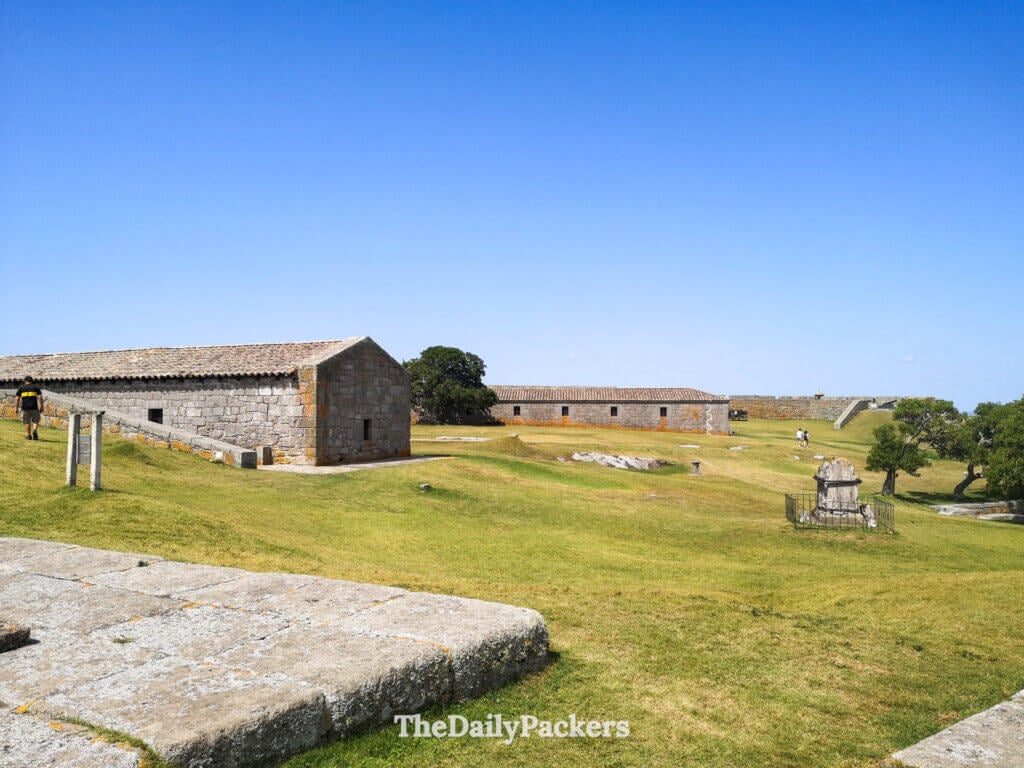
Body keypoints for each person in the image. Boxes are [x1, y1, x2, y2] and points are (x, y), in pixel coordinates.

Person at [15, 376, 43, 440]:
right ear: (31, 381)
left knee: (27, 422)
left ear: (25, 381)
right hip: (34, 408)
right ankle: (35, 430)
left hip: (25, 408)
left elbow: (17, 398)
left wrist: (16, 408)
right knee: (36, 420)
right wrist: (41, 407)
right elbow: (40, 397)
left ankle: (29, 435)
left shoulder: (21, 388)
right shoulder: (36, 387)